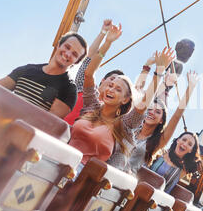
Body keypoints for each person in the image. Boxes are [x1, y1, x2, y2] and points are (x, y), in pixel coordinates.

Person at [69, 20, 175, 173]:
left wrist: (159, 71)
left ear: (126, 99)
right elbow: (88, 74)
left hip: (85, 173)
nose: (111, 89)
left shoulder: (125, 123)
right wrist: (108, 42)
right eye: (110, 85)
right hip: (64, 156)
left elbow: (144, 103)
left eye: (118, 89)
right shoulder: (92, 106)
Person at [123, 70, 199, 175]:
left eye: (157, 112)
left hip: (125, 179)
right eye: (150, 109)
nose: (152, 112)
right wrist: (163, 82)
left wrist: (190, 87)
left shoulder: (157, 142)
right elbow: (143, 98)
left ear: (161, 120)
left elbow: (177, 116)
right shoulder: (131, 127)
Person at [0, 32, 88, 118]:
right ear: (59, 44)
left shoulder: (69, 89)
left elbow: (47, 123)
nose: (68, 54)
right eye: (67, 47)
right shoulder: (28, 69)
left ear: (77, 62)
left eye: (74, 54)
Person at [64, 19, 124, 125]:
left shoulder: (108, 112)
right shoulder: (85, 85)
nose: (113, 85)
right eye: (112, 79)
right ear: (103, 80)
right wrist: (103, 33)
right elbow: (89, 58)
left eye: (118, 87)